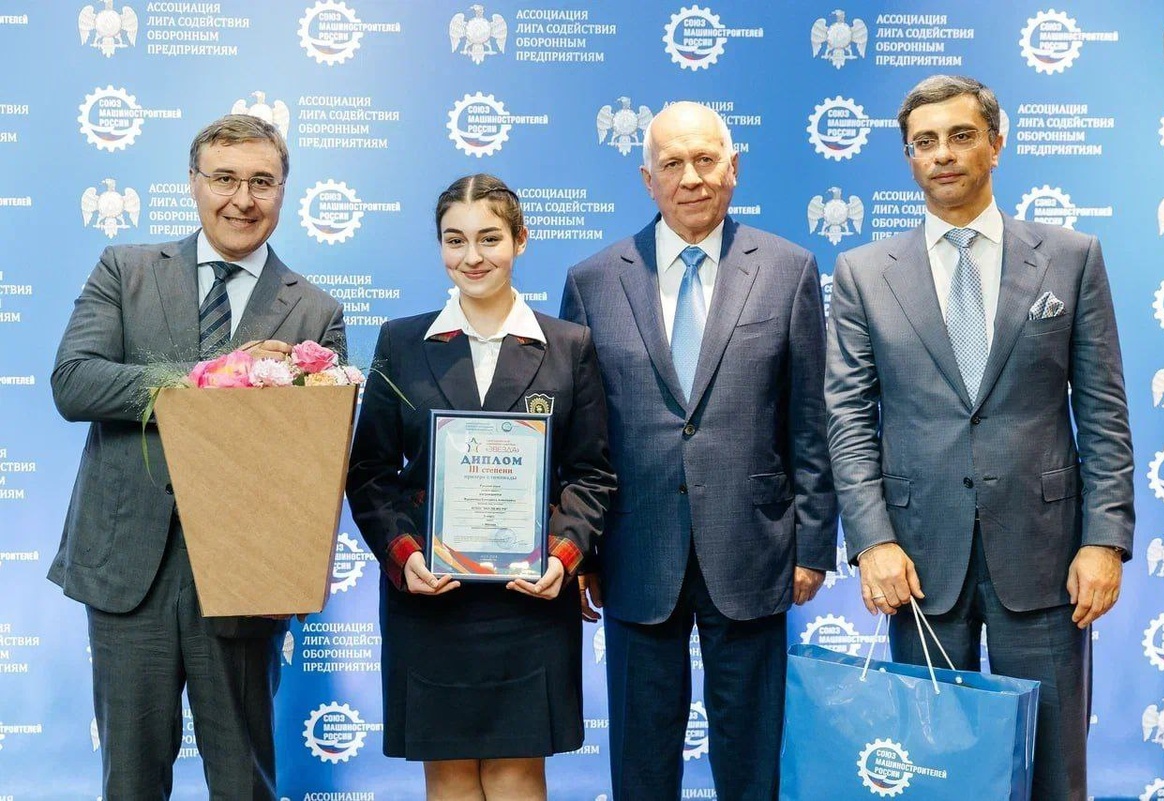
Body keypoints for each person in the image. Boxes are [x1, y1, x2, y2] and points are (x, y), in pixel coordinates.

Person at [824, 75, 1134, 800]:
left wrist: (1104, 540)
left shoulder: (1071, 257)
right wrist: (872, 542)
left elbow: (1104, 411)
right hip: (917, 561)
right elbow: (848, 420)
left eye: (961, 136)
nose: (942, 154)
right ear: (909, 158)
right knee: (931, 776)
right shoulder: (864, 274)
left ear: (996, 144)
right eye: (924, 142)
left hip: (1048, 557)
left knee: (1055, 770)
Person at [50, 114, 345, 800]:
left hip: (248, 577)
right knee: (130, 780)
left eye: (262, 182)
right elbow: (74, 382)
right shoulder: (124, 270)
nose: (243, 198)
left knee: (243, 781)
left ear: (283, 191)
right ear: (193, 183)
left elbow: (313, 457)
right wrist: (210, 379)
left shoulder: (316, 313)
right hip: (129, 568)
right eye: (225, 179)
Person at [560, 102, 837, 800]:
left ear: (733, 168)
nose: (691, 178)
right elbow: (579, 438)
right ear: (647, 179)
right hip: (633, 551)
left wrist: (812, 546)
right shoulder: (593, 280)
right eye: (673, 163)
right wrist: (580, 550)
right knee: (641, 758)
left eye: (706, 160)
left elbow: (810, 421)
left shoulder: (789, 269)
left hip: (753, 547)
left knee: (750, 756)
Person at [346, 173, 614, 801]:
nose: (472, 256)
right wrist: (405, 556)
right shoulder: (402, 342)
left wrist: (563, 557)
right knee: (449, 776)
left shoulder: (568, 346)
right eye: (455, 240)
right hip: (430, 597)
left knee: (517, 774)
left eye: (489, 238)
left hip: (530, 599)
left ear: (520, 239)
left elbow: (592, 474)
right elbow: (370, 472)